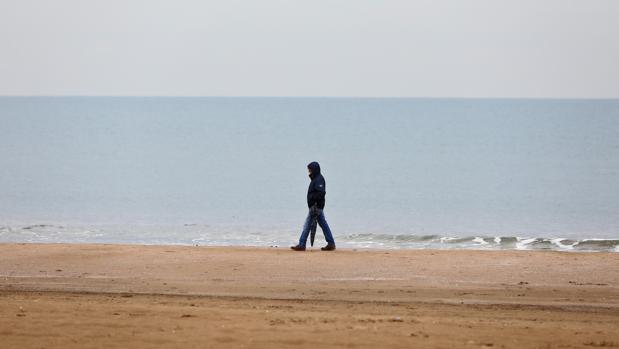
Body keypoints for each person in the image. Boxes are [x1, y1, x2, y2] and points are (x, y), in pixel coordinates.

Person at [291, 162, 336, 251]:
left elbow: (321, 193)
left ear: (314, 170)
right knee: (323, 224)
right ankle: (331, 243)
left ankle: (302, 244)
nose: (309, 171)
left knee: (307, 225)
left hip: (316, 207)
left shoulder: (319, 179)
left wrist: (314, 201)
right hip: (316, 207)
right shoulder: (316, 179)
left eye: (310, 170)